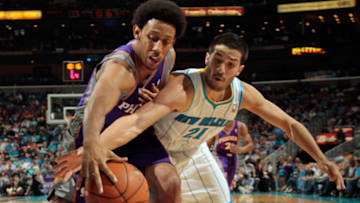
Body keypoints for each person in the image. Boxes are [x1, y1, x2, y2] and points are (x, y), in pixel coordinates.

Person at [57, 32, 345, 202]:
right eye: (217, 59)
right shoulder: (182, 88)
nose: (221, 68)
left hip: (194, 153)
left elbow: (289, 124)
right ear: (207, 58)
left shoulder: (243, 94)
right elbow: (135, 123)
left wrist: (322, 159)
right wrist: (90, 147)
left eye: (230, 64)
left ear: (239, 69)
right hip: (155, 152)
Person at [49, 0, 187, 202]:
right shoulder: (119, 69)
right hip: (92, 130)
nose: (158, 48)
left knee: (170, 184)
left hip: (134, 130)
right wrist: (91, 144)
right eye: (153, 38)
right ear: (137, 32)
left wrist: (157, 95)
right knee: (67, 198)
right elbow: (96, 108)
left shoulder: (169, 58)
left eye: (166, 41)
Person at [207, 120, 254, 189]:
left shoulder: (240, 126)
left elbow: (250, 144)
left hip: (233, 157)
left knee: (228, 185)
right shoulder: (216, 126)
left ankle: (225, 198)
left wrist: (241, 149)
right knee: (222, 176)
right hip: (219, 156)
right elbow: (207, 144)